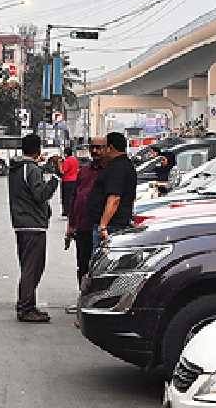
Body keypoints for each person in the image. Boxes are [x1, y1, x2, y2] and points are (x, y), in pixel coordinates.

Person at [7, 133, 61, 323]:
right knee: (33, 267)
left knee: (27, 265)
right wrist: (55, 178)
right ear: (38, 150)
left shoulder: (16, 168)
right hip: (33, 225)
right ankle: (26, 308)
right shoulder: (30, 169)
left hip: (22, 224)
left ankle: (26, 303)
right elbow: (40, 194)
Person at [66, 138, 105, 308]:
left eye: (99, 148)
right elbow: (75, 197)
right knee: (82, 264)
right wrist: (71, 225)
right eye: (93, 148)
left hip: (100, 227)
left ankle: (97, 302)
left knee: (99, 267)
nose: (95, 151)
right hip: (82, 226)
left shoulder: (109, 172)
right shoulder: (84, 171)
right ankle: (83, 299)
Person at [86, 131, 137, 249]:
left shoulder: (117, 167)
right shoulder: (125, 164)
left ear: (110, 148)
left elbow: (114, 198)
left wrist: (103, 225)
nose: (102, 151)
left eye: (104, 147)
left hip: (111, 226)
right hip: (114, 224)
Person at [60, 147, 80, 218]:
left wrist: (60, 164)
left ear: (65, 153)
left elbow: (62, 171)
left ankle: (67, 211)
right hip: (75, 180)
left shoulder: (67, 161)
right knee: (73, 196)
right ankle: (73, 210)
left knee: (66, 197)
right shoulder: (75, 160)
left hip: (67, 180)